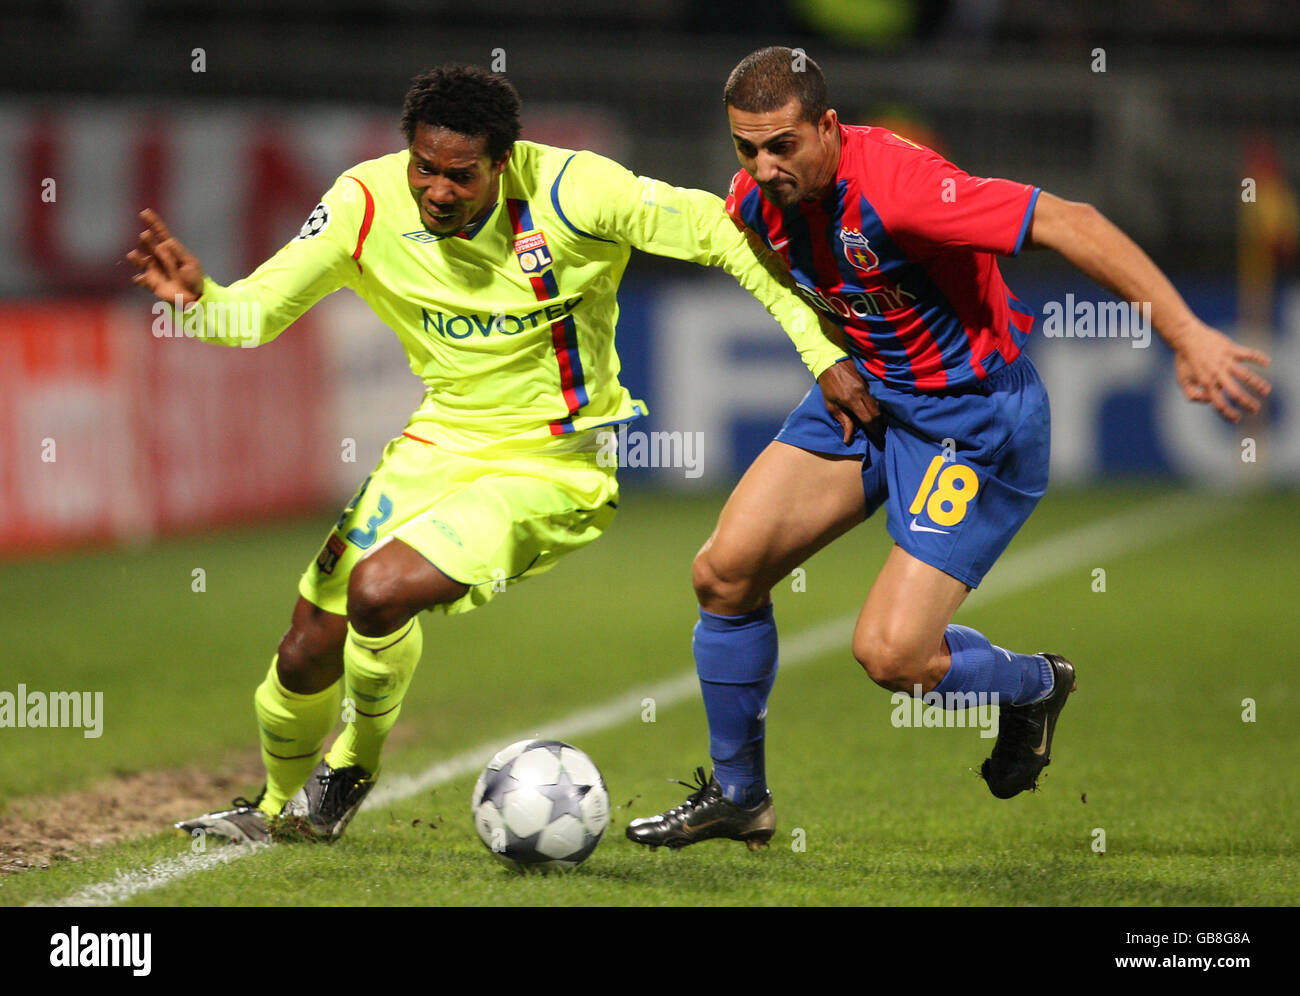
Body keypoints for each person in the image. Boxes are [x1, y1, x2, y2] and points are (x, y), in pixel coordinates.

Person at [129, 63, 859, 844]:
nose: (438, 190)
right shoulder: (363, 203)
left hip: (553, 464)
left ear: (503, 163)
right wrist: (202, 305)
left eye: (460, 176)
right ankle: (273, 805)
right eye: (424, 169)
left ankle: (346, 771)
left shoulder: (577, 192)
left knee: (379, 592)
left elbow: (723, 233)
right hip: (436, 442)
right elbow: (254, 315)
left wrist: (821, 353)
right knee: (306, 647)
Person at [626, 46, 1272, 850]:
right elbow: (797, 286)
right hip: (867, 397)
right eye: (746, 148)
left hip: (970, 420)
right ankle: (740, 797)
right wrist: (827, 358)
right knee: (724, 573)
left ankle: (1033, 686)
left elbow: (1076, 223)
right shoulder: (755, 204)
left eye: (782, 145)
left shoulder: (903, 190)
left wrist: (1186, 336)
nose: (763, 166)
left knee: (893, 657)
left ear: (827, 127)